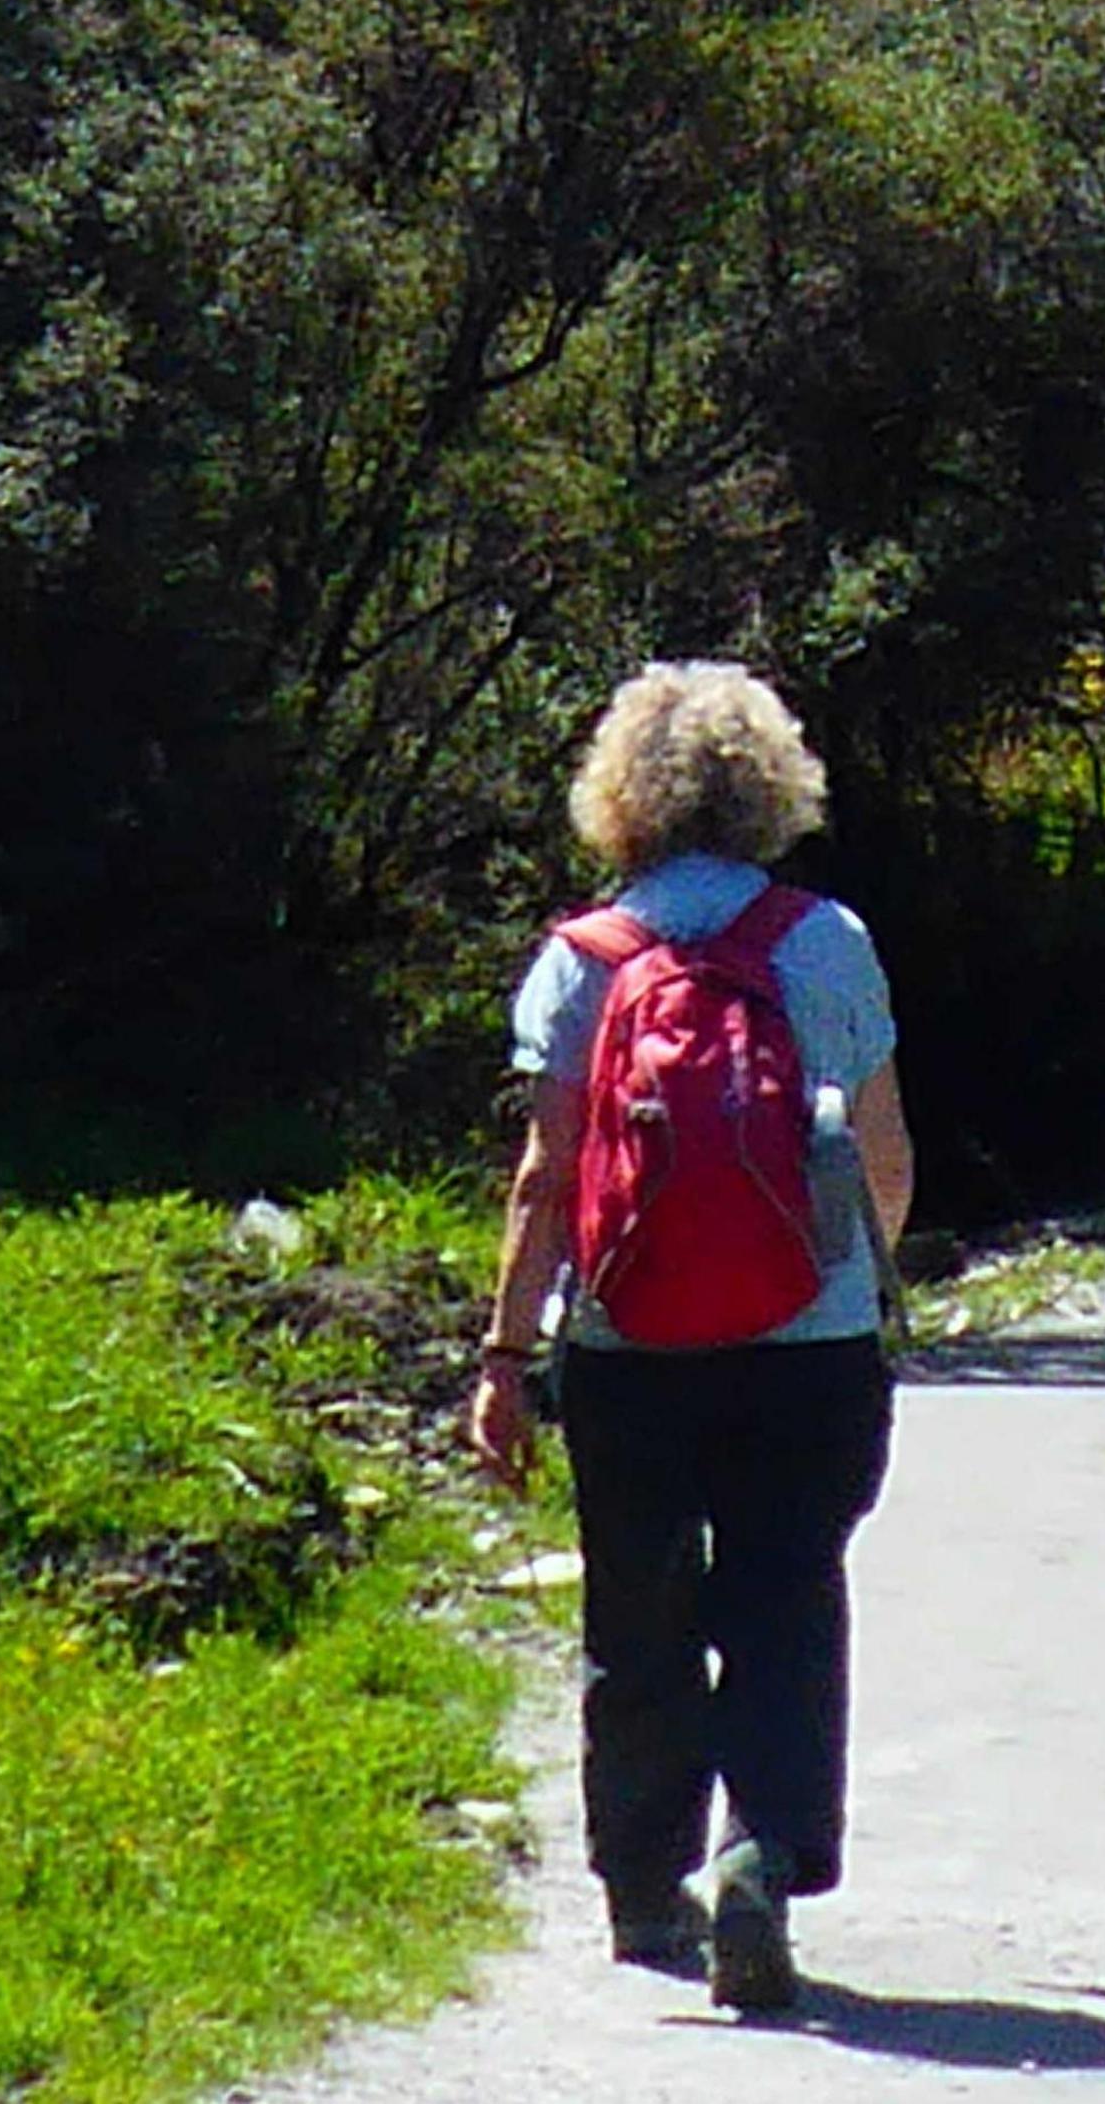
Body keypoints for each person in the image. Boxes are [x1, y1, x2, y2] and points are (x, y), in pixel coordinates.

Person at [467, 660, 915, 2014]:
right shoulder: (824, 939)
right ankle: (761, 1858)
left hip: (625, 1341)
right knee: (786, 1594)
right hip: (810, 1343)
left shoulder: (580, 960)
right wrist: (870, 1296)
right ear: (772, 786)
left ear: (622, 799)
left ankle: (643, 1894)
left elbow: (549, 1180)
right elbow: (883, 1160)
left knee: (639, 1610)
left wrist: (504, 1358)